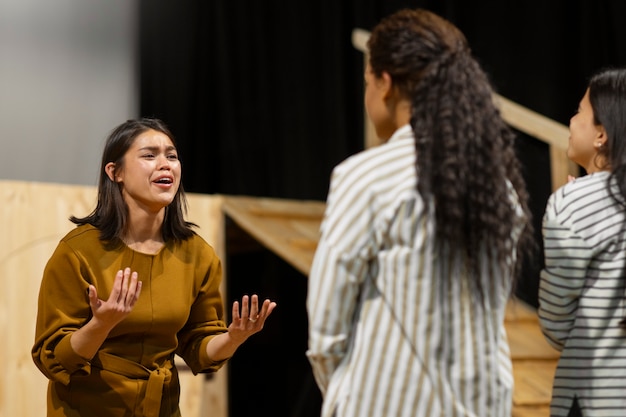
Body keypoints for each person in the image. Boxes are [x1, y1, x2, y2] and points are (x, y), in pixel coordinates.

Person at [306, 8, 534, 417]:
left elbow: (327, 328)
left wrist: (346, 394)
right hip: (484, 404)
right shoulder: (497, 188)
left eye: (366, 82)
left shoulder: (366, 176)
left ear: (386, 83)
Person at [32, 118, 277, 417]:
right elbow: (55, 358)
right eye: (149, 155)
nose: (165, 164)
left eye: (171, 156)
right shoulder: (77, 251)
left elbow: (198, 346)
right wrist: (102, 323)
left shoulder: (197, 254)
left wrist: (233, 338)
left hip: (161, 408)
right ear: (115, 172)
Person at [538, 67, 626, 417]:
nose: (571, 121)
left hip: (594, 398)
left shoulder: (572, 202)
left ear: (602, 134)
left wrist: (565, 208)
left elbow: (555, 324)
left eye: (579, 112)